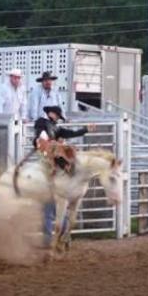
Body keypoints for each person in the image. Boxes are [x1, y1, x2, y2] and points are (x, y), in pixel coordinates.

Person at [33, 105, 96, 248]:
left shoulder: (53, 127)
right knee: (52, 205)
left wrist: (84, 130)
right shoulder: (42, 124)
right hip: (47, 160)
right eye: (56, 115)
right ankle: (56, 237)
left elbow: (70, 133)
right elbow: (43, 143)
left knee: (54, 206)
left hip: (51, 161)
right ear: (51, 113)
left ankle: (56, 237)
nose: (57, 118)